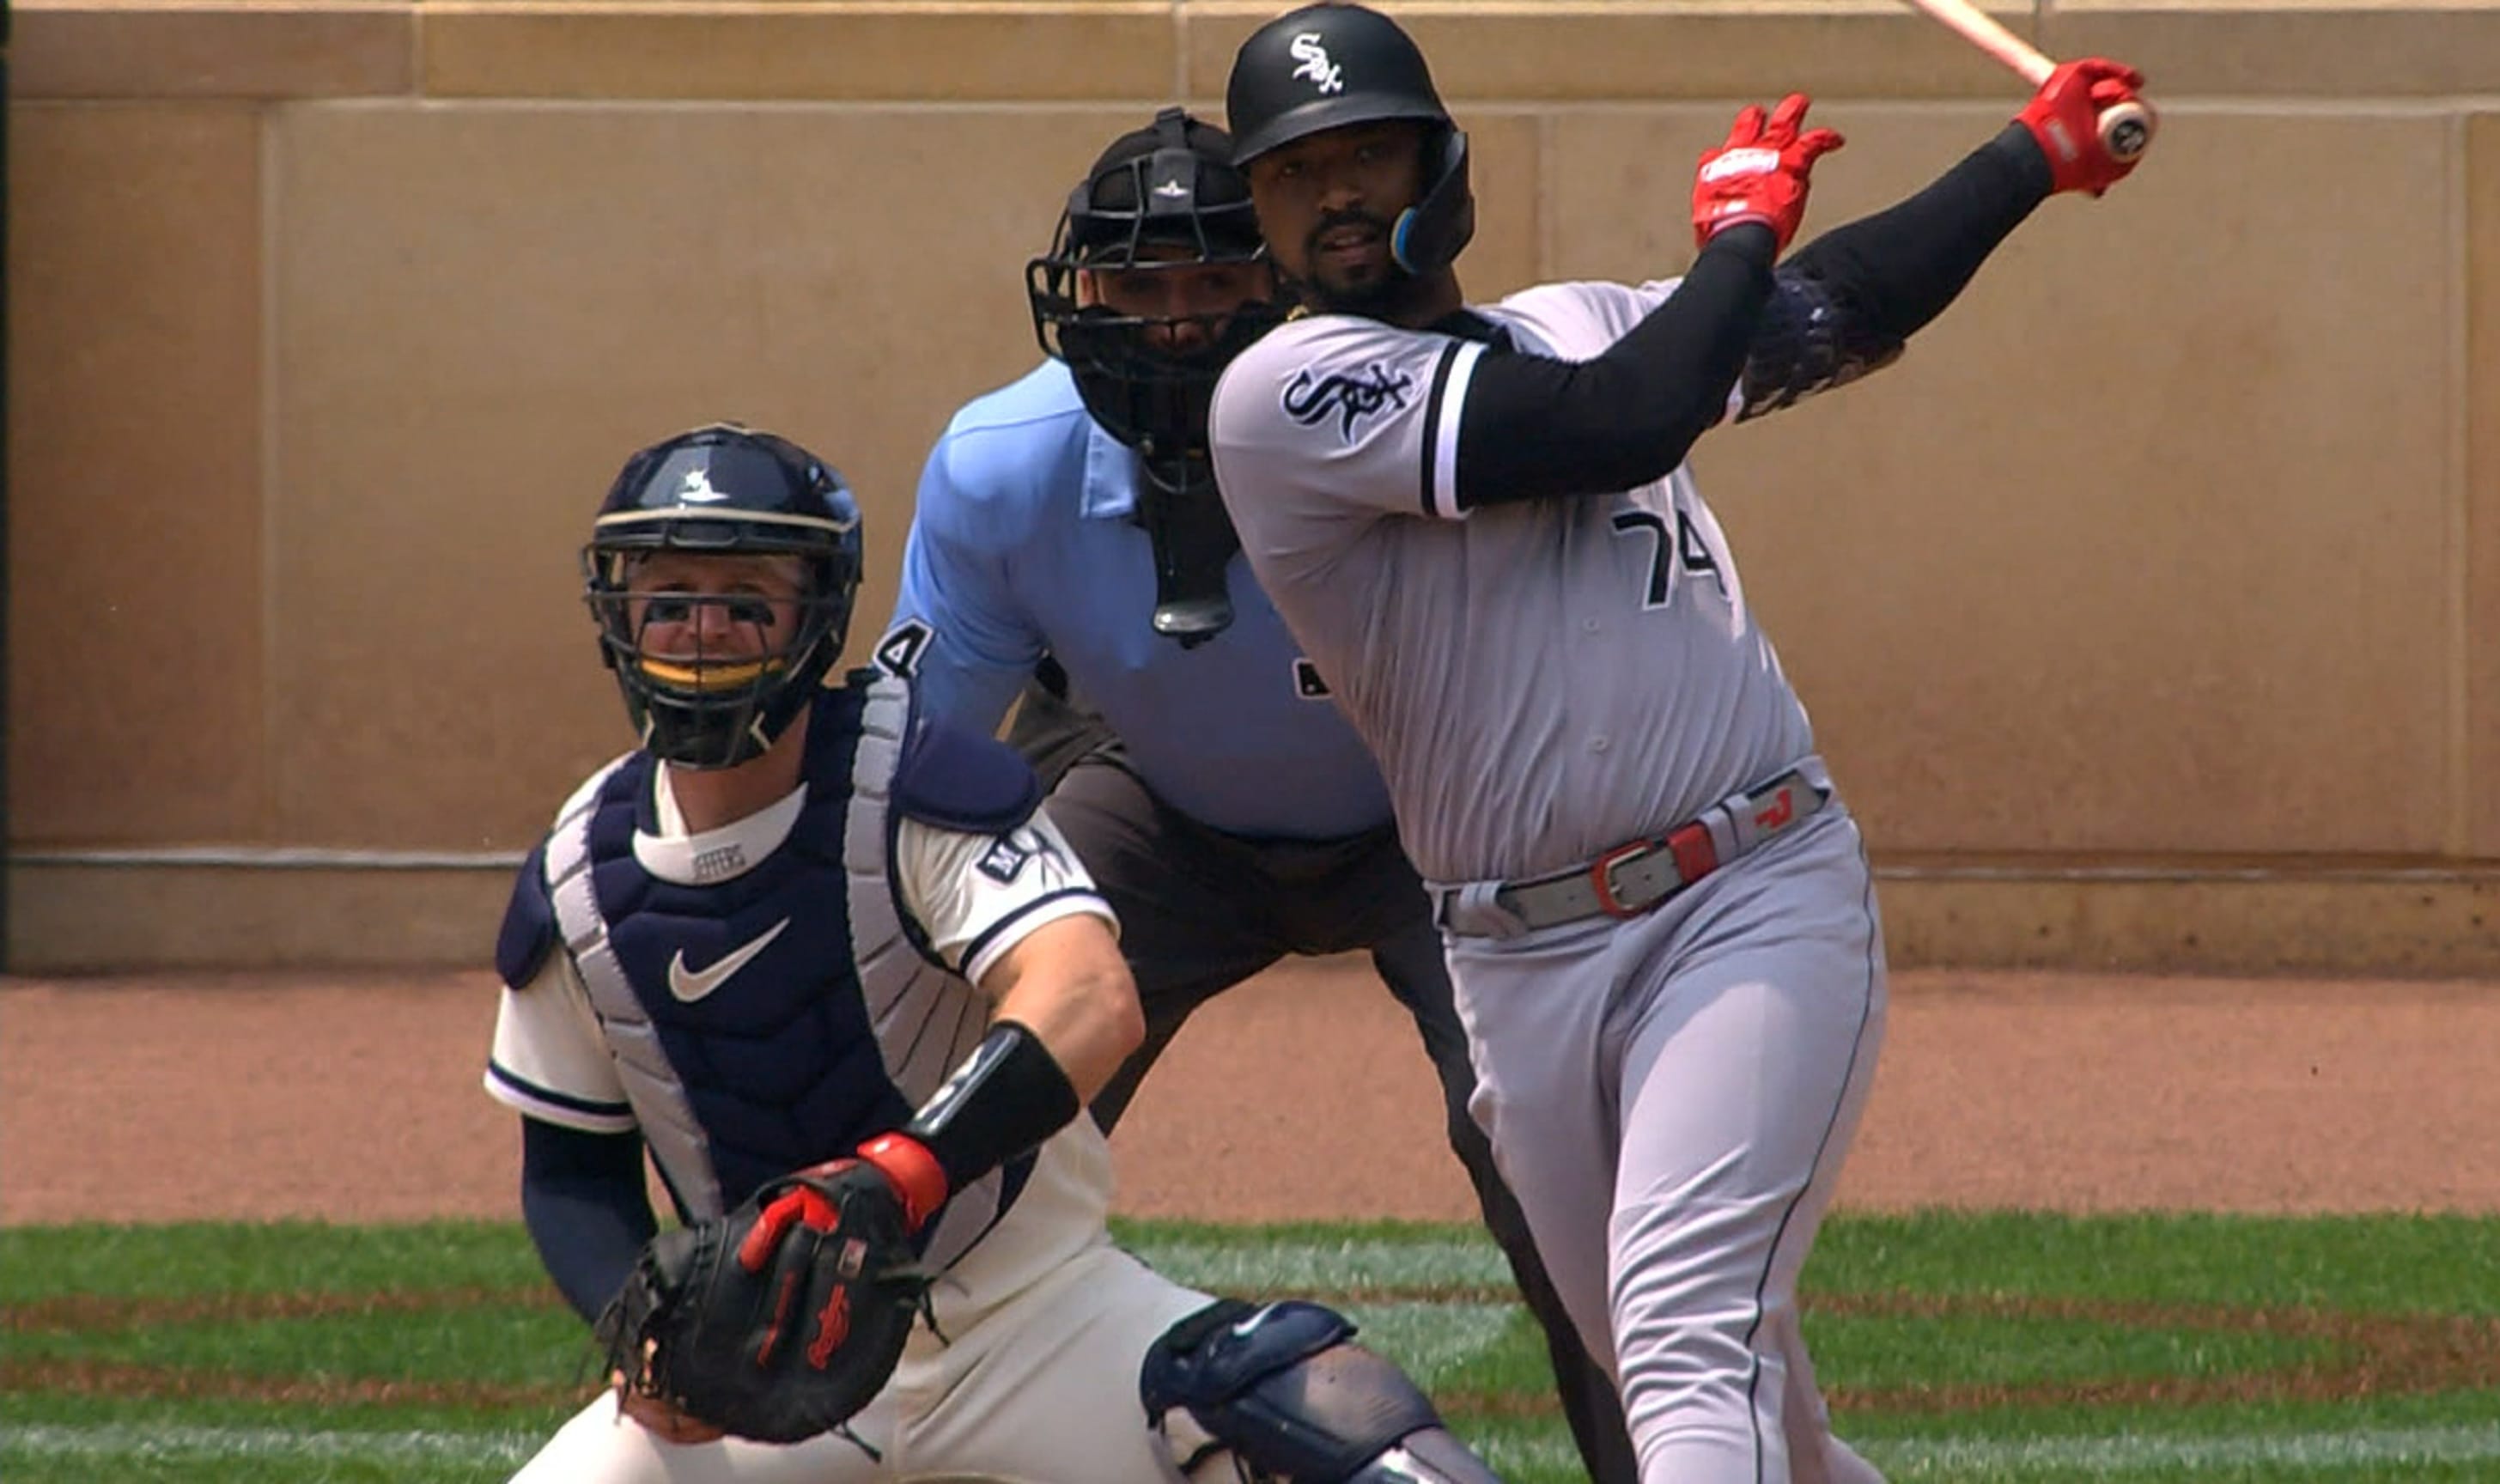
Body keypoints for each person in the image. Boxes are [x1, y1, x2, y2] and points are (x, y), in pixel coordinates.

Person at [1201, 5, 2154, 1481]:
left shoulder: (1580, 323)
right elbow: (1620, 423)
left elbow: (1832, 306)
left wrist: (2028, 158)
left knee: (1680, 1337)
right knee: (1761, 1417)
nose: (1333, 193)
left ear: (1440, 168)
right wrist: (1730, 241)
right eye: (1292, 171)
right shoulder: (1282, 397)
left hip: (1746, 891)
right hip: (1517, 964)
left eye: (1368, 153)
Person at [484, 422, 1511, 1483]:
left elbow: (1088, 996)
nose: (704, 633)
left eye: (747, 600)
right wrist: (649, 1338)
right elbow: (569, 1171)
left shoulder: (915, 784)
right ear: (618, 619)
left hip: (1037, 1318)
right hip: (772, 1377)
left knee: (1327, 1423)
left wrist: (900, 1175)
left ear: (816, 616)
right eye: (670, 602)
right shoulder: (579, 875)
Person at [885, 107, 1639, 1481]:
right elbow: (908, 768)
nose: (1176, 325)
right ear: (1084, 295)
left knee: (1558, 1169)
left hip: (1440, 815)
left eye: (1217, 282)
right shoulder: (1005, 461)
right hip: (1162, 801)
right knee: (955, 1127)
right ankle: (875, 1438)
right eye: (1140, 287)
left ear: (1282, 277)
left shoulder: (1399, 411)